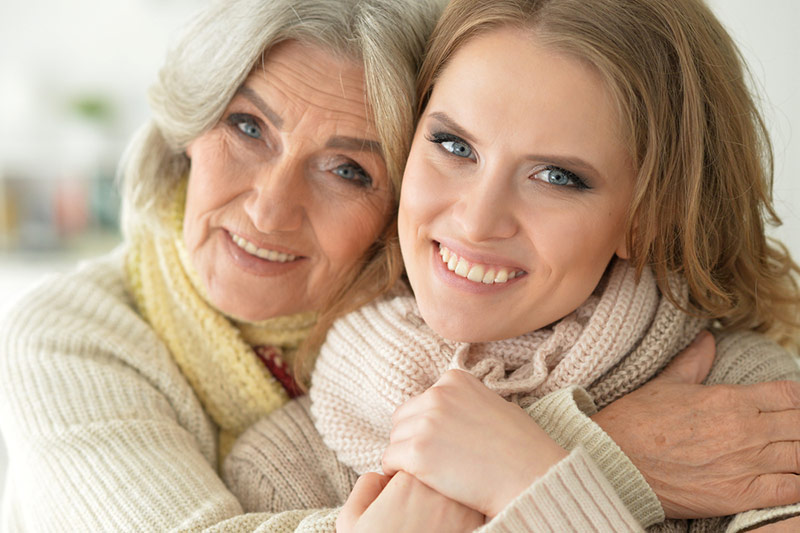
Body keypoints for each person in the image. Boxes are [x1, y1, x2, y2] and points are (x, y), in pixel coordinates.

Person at [222, 0, 800, 531]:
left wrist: (530, 480)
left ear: (646, 217)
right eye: (454, 145)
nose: (477, 222)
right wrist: (589, 453)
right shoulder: (278, 468)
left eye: (556, 177)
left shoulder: (753, 410)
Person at [0, 0, 444, 530]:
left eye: (347, 169)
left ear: (398, 207)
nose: (270, 210)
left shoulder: (439, 340)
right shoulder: (67, 332)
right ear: (190, 126)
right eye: (248, 127)